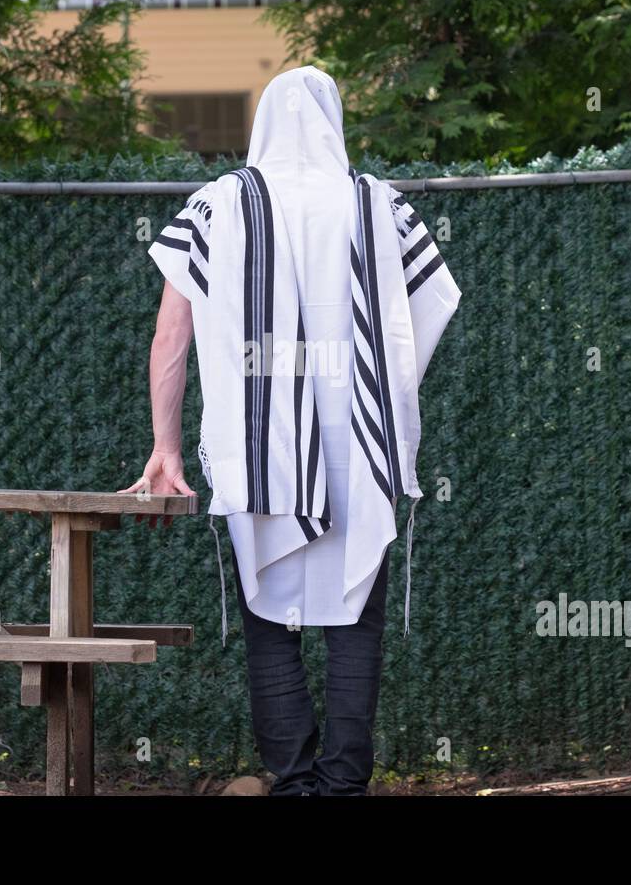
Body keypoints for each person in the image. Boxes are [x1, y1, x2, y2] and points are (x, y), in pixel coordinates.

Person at [121, 65, 461, 796]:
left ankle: (293, 781)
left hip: (256, 446)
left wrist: (167, 446)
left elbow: (170, 336)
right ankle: (342, 785)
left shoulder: (219, 205)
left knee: (267, 617)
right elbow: (432, 304)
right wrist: (381, 396)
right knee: (354, 619)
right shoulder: (380, 204)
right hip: (358, 448)